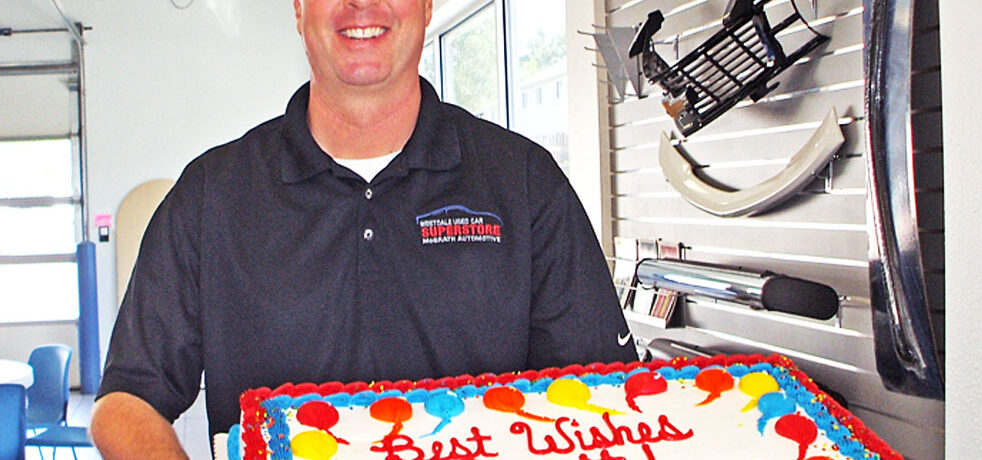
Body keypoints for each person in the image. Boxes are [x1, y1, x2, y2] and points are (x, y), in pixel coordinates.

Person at [89, 0, 636, 457]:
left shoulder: (524, 183)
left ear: (426, 5)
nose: (361, 3)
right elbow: (124, 403)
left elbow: (608, 399)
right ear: (299, 10)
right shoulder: (213, 194)